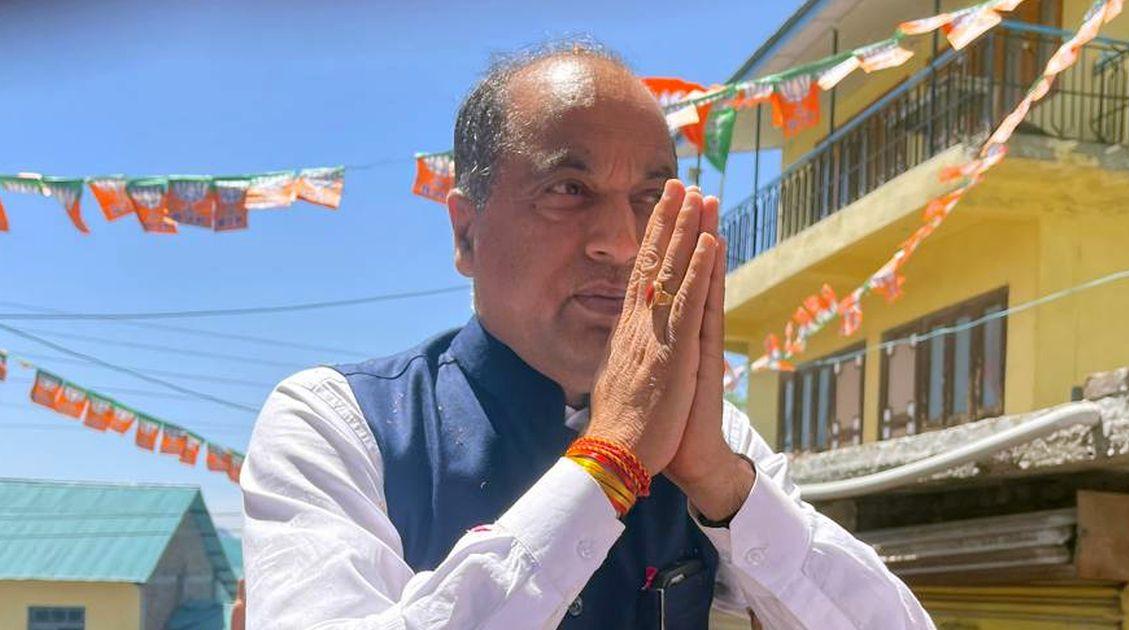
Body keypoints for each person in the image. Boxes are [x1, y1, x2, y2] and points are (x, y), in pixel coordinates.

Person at [242, 42, 934, 629]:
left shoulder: (709, 439)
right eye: (568, 190)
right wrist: (610, 462)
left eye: (650, 199)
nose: (622, 242)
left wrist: (722, 484)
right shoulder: (338, 425)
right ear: (466, 231)